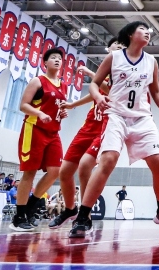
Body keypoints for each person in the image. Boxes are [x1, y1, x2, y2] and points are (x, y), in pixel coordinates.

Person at [69, 21, 159, 237]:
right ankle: (83, 216)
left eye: (148, 31)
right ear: (130, 34)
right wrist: (99, 97)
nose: (147, 33)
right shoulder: (115, 57)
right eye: (142, 29)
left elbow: (156, 91)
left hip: (142, 118)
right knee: (108, 161)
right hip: (116, 115)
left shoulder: (151, 61)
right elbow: (94, 83)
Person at [49, 38, 121, 229]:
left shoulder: (122, 72)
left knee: (84, 166)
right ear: (109, 48)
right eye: (116, 44)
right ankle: (70, 209)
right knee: (64, 172)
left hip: (105, 128)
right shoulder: (106, 71)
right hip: (88, 126)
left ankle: (85, 215)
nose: (119, 47)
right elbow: (95, 92)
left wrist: (91, 74)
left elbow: (108, 89)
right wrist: (73, 104)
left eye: (123, 45)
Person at [10, 48, 69, 232]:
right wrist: (40, 113)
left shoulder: (63, 85)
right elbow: (23, 105)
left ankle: (30, 206)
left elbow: (57, 107)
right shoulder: (38, 81)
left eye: (60, 58)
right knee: (29, 172)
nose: (57, 60)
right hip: (34, 129)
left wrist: (62, 113)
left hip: (53, 132)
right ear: (45, 62)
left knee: (55, 171)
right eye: (53, 58)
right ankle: (19, 217)